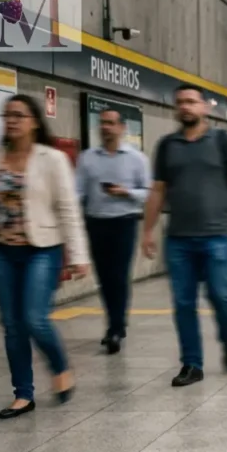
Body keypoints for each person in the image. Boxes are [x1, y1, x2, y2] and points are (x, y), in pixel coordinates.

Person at [0, 95, 89, 419]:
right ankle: (23, 394)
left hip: (42, 249)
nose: (11, 120)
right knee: (12, 326)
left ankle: (60, 366)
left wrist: (78, 255)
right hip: (1, 251)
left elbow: (68, 208)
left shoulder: (52, 159)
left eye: (19, 115)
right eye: (7, 115)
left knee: (34, 318)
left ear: (35, 121)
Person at [141, 83, 227, 387]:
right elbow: (158, 191)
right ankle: (192, 363)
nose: (185, 107)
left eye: (191, 101)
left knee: (221, 297)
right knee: (183, 303)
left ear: (204, 107)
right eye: (180, 102)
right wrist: (147, 230)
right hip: (179, 239)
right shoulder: (167, 145)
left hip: (217, 235)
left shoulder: (223, 140)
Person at [75, 107, 152, 354]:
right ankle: (116, 321)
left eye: (110, 123)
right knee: (104, 278)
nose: (105, 127)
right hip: (96, 223)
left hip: (124, 223)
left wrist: (126, 192)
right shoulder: (87, 158)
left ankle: (115, 328)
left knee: (119, 276)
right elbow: (78, 192)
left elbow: (148, 192)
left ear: (121, 127)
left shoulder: (137, 159)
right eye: (102, 123)